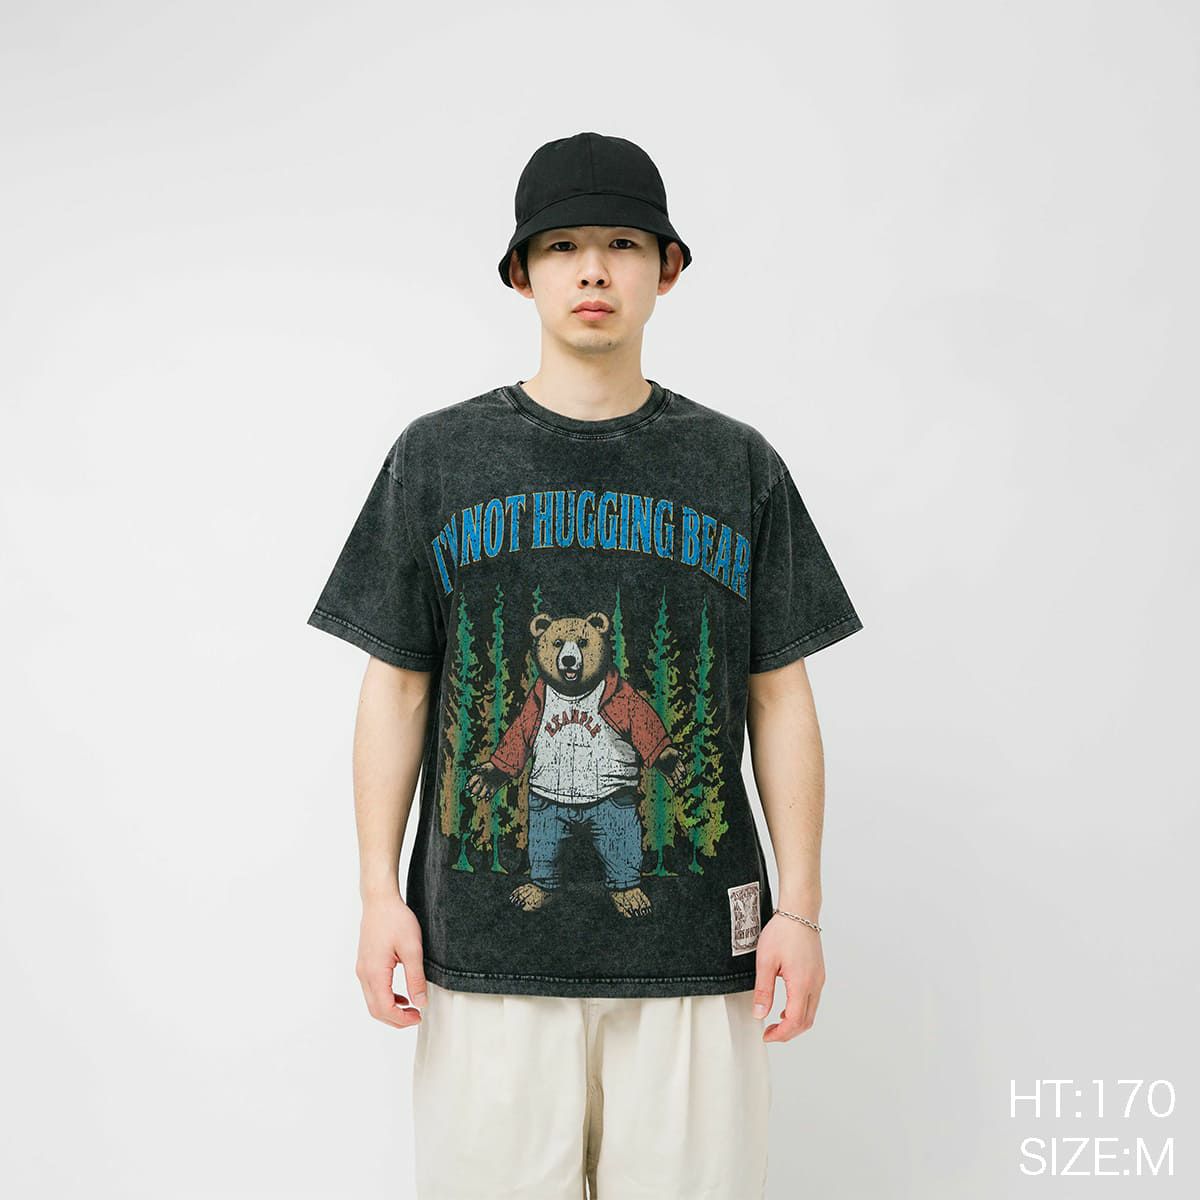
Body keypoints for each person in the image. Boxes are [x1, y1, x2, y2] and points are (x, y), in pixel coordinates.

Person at [307, 131, 864, 1200]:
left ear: (668, 269)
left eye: (623, 244)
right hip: (484, 961)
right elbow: (399, 684)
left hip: (696, 959)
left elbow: (781, 695)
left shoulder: (736, 465)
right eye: (563, 246)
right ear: (522, 273)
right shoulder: (437, 458)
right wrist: (379, 896)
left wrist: (798, 912)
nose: (594, 270)